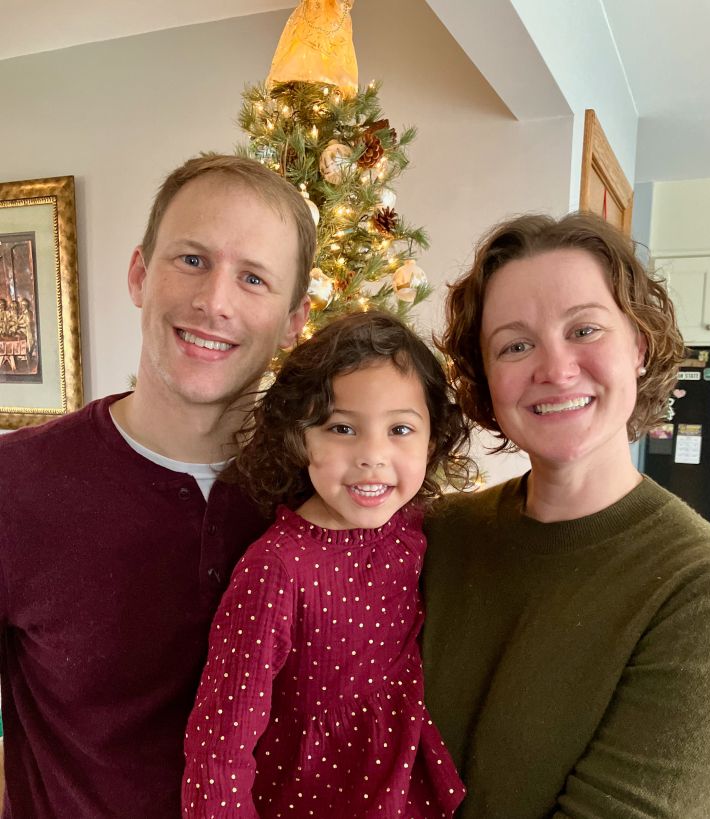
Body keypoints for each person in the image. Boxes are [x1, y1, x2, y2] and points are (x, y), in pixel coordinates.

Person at [0, 154, 315, 818]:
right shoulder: (15, 485)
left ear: (295, 319)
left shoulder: (324, 491)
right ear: (140, 274)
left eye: (254, 278)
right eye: (192, 259)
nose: (215, 301)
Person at [421, 212, 710, 819]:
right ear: (486, 378)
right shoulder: (435, 534)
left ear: (638, 347)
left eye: (584, 330)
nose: (555, 369)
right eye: (515, 345)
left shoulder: (699, 587)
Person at [182, 310, 473, 818]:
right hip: (310, 799)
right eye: (342, 428)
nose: (373, 456)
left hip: (405, 793)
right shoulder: (277, 569)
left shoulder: (413, 530)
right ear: (301, 438)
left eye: (400, 428)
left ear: (431, 441)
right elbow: (220, 745)